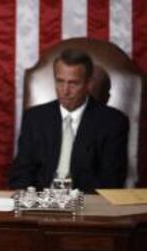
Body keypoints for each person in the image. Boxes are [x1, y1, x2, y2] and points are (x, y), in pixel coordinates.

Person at [9, 48, 129, 193]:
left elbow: (111, 181)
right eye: (60, 81)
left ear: (88, 83)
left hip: (86, 205)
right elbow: (21, 174)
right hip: (39, 204)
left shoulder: (113, 122)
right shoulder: (35, 118)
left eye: (73, 83)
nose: (65, 90)